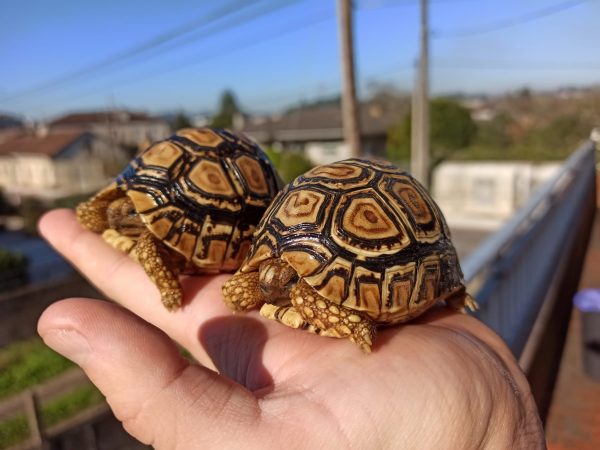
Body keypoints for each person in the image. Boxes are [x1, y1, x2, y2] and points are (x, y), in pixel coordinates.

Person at [37, 209, 545, 449]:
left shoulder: (305, 288)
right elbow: (242, 289)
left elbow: (354, 324)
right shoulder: (263, 277)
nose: (268, 283)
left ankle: (447, 284)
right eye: (269, 274)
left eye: (277, 277)